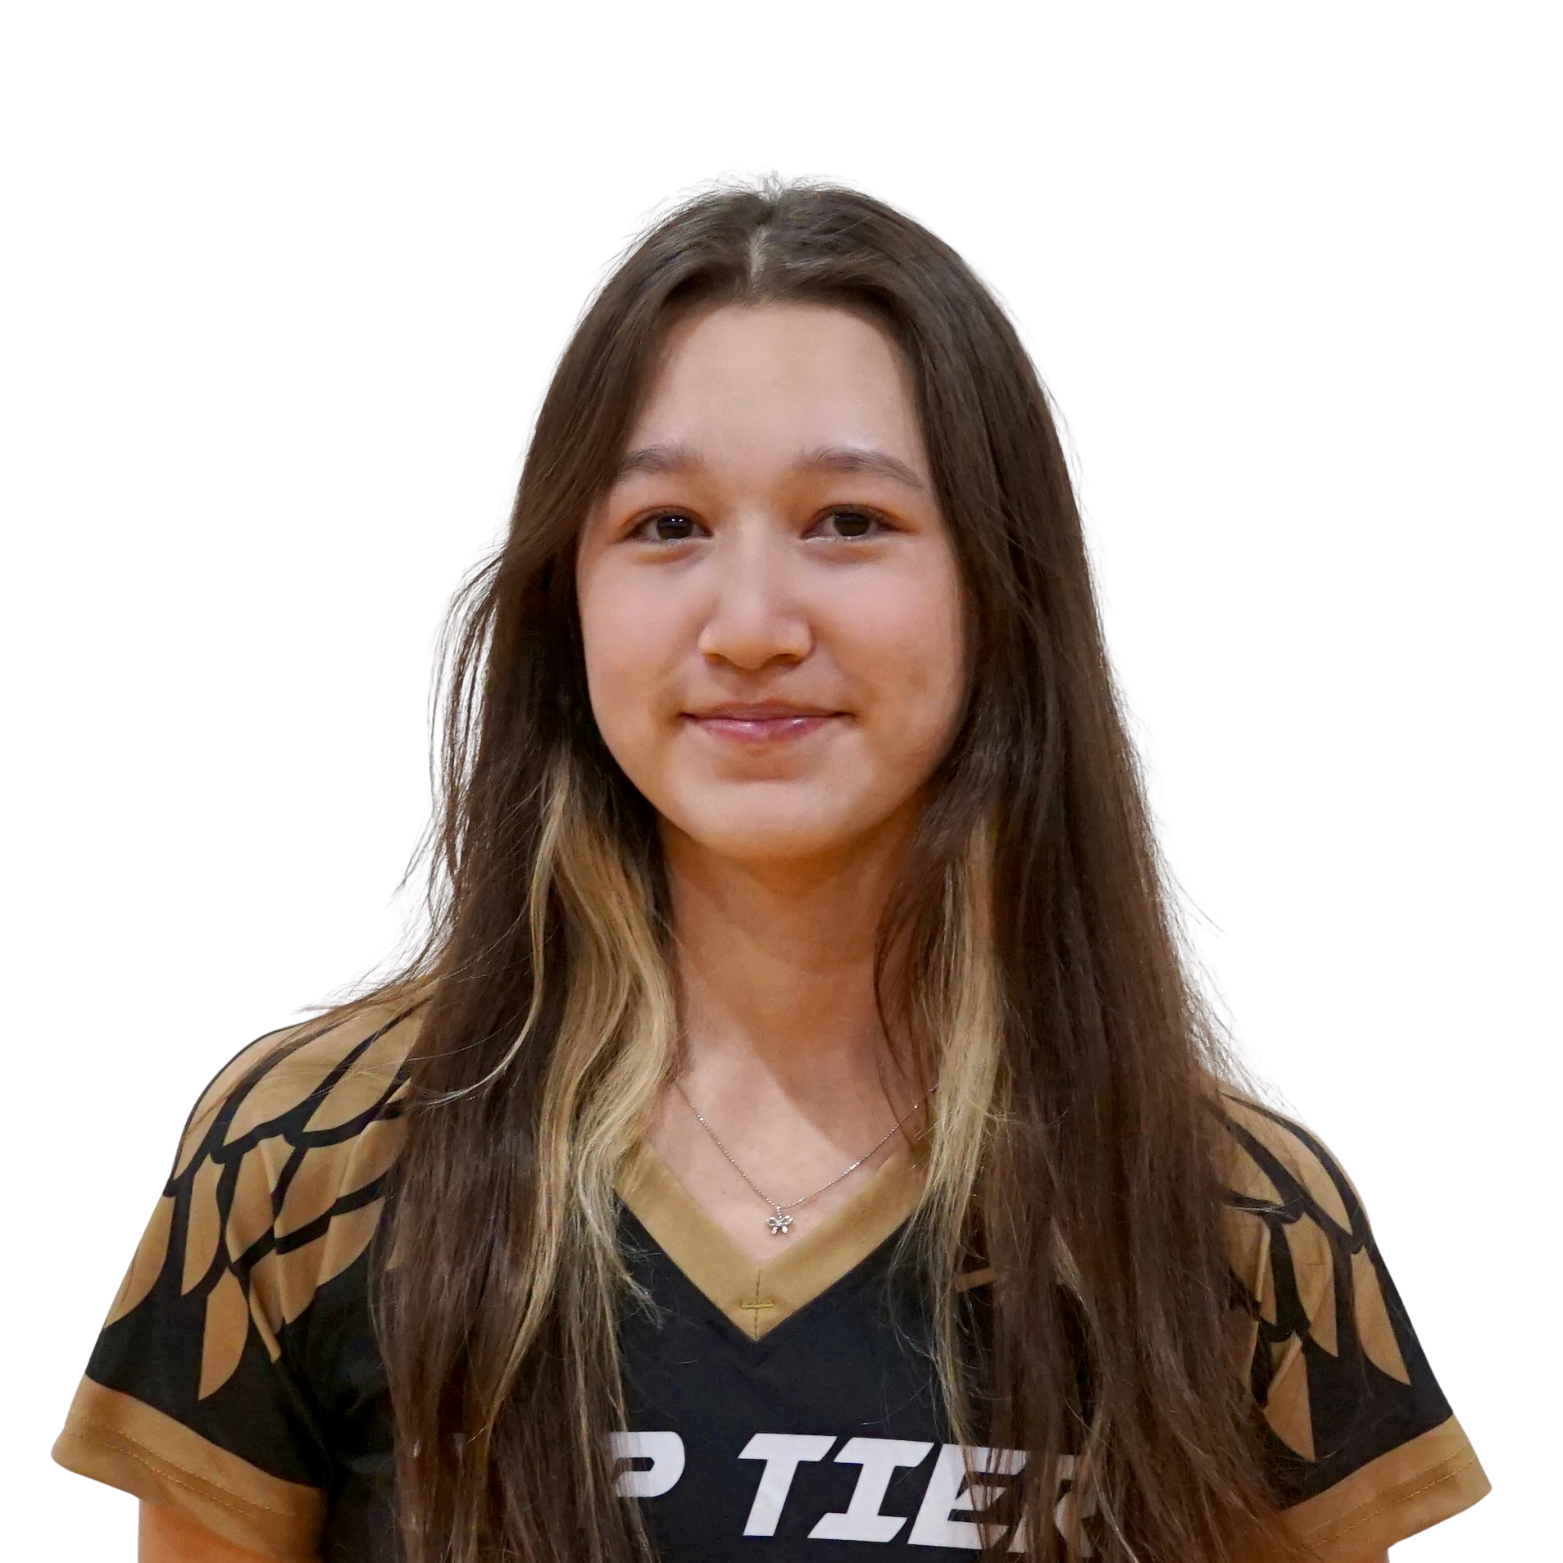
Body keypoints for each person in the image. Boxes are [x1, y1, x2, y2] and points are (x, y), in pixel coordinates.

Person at [52, 180, 1488, 1563]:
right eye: (663, 526)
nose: (748, 622)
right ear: (571, 599)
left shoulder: (1224, 1222)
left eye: (848, 523)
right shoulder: (310, 1165)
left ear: (999, 589)